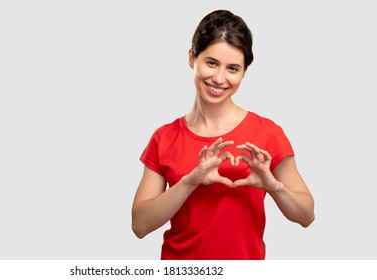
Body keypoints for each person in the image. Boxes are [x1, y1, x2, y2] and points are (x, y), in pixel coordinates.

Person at [131, 9, 315, 260]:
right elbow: (140, 225)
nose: (219, 78)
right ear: (191, 58)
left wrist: (274, 186)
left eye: (233, 68)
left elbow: (306, 216)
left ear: (244, 72)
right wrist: (190, 181)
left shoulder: (268, 133)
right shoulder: (164, 138)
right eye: (211, 63)